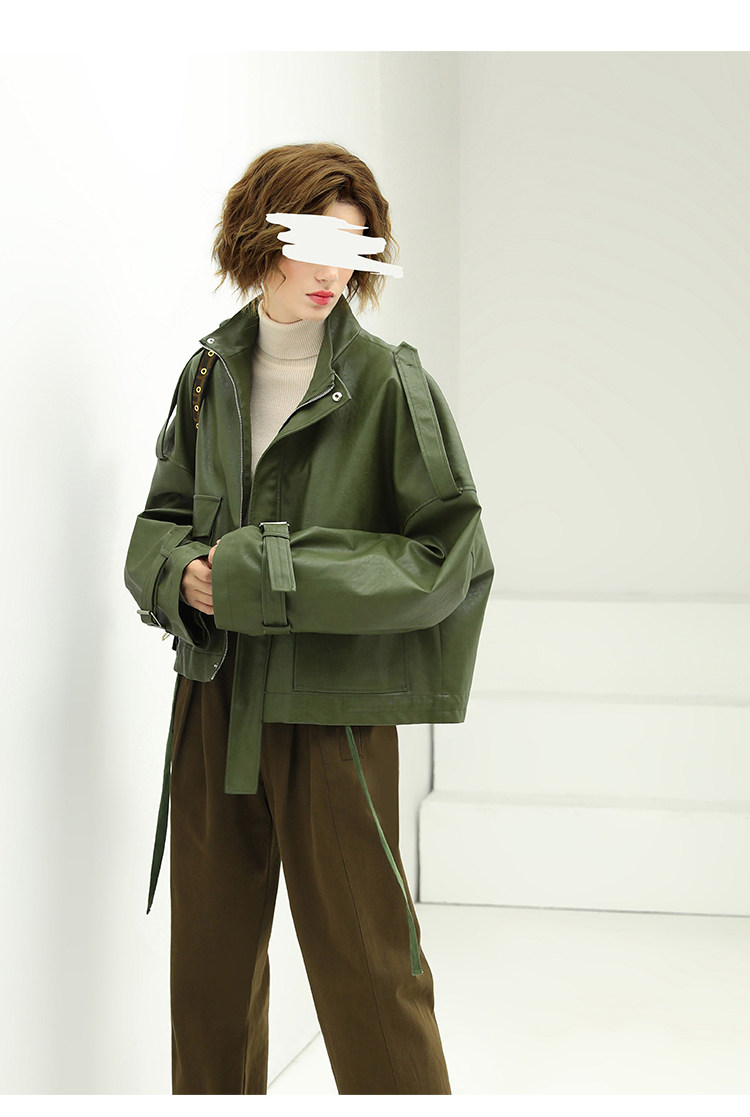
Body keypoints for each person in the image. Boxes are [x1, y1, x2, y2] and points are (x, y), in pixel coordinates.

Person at [124, 141, 494, 1095]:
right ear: (262, 236)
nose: (335, 271)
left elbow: (446, 559)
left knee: (371, 976)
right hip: (212, 704)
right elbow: (159, 524)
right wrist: (177, 575)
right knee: (207, 985)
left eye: (356, 248)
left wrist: (264, 577)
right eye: (317, 243)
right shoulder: (208, 375)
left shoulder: (389, 385)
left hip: (333, 719)